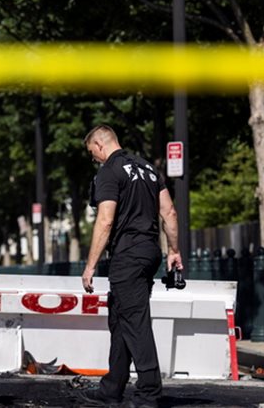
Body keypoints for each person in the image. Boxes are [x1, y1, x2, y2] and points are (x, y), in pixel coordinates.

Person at [78, 125, 182, 408]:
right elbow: (169, 213)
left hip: (127, 255)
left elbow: (105, 220)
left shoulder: (109, 172)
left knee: (135, 321)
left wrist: (90, 266)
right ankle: (112, 388)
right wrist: (173, 250)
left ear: (100, 145)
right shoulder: (148, 168)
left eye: (92, 153)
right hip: (149, 251)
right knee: (121, 319)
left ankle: (149, 392)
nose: (94, 159)